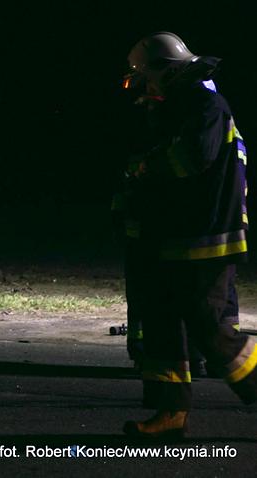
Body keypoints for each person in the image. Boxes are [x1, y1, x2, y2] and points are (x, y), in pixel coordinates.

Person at [119, 32, 257, 438]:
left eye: (143, 75)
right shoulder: (174, 107)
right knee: (162, 322)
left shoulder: (205, 105)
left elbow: (194, 157)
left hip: (206, 238)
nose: (142, 85)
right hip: (172, 237)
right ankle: (171, 413)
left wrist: (148, 167)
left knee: (209, 328)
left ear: (163, 71)